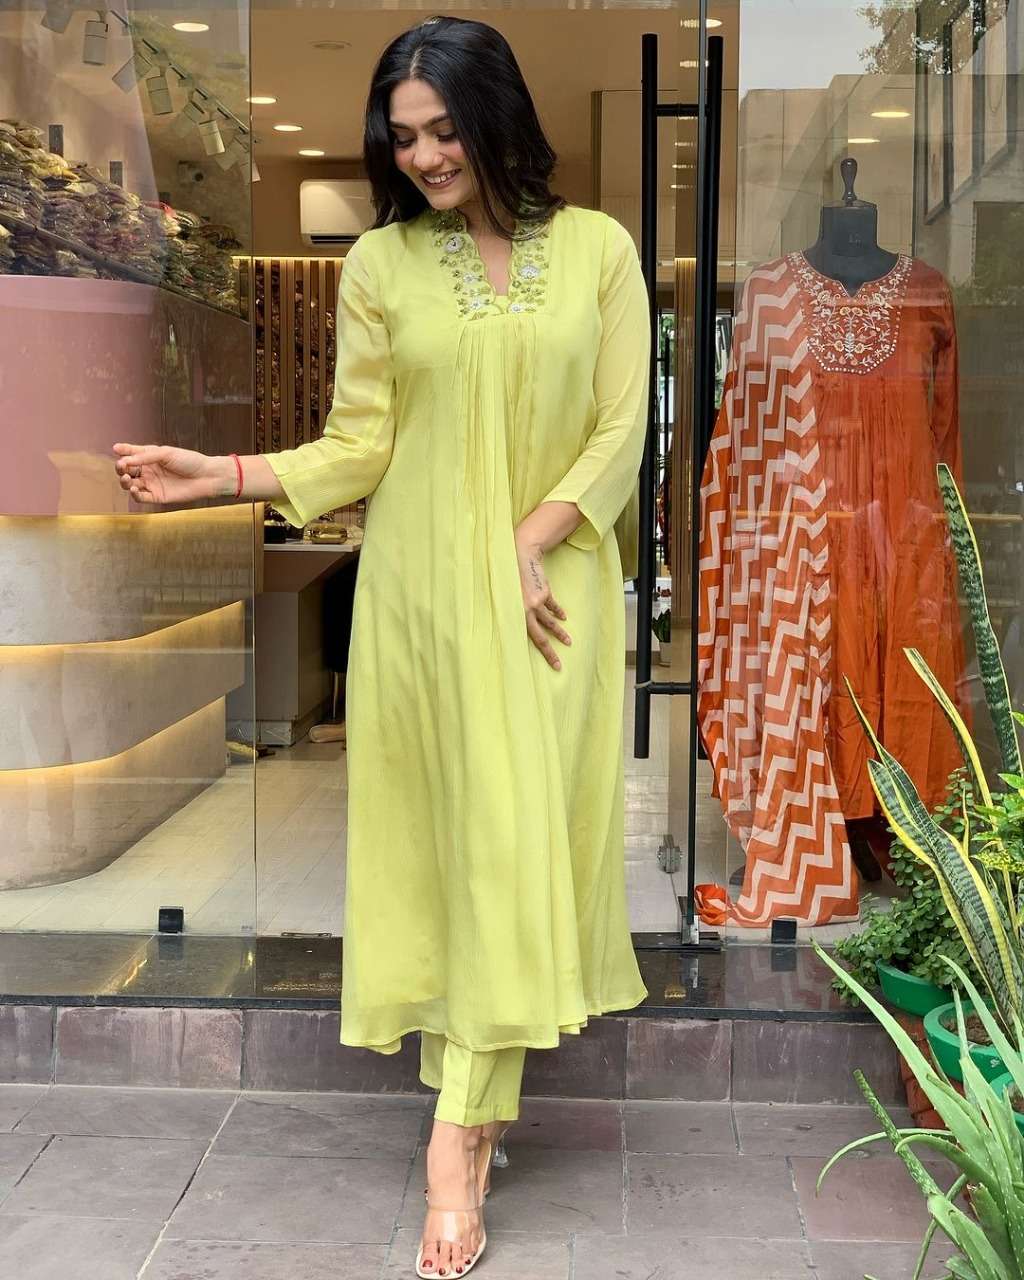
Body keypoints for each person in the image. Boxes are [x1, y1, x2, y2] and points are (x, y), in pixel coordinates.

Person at [114, 16, 650, 1276]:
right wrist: (221, 474)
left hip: (552, 596)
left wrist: (532, 535)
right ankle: (464, 1133)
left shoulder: (600, 251)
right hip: (423, 603)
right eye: (403, 137)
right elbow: (359, 442)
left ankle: (462, 1127)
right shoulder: (380, 266)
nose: (423, 156)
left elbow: (622, 425)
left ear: (496, 117)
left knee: (517, 844)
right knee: (463, 853)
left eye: (444, 129)